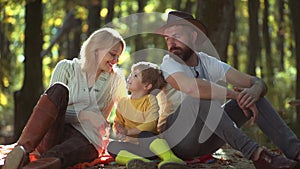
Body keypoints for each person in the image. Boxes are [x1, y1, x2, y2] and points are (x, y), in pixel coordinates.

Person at [155, 10, 300, 169]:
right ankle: (259, 155)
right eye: (167, 38)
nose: (171, 43)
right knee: (200, 97)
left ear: (193, 36)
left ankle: (296, 152)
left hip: (208, 141)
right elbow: (192, 88)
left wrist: (254, 91)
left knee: (252, 97)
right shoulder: (169, 63)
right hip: (178, 141)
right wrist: (235, 95)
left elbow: (254, 81)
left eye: (177, 36)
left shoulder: (208, 62)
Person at [3, 27, 127, 169]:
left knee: (61, 153)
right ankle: (21, 150)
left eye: (118, 57)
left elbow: (126, 109)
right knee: (58, 89)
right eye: (113, 54)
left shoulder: (116, 79)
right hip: (55, 133)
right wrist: (83, 115)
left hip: (88, 138)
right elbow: (51, 111)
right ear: (96, 49)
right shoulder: (66, 68)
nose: (116, 60)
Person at [107, 61, 188, 169]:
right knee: (112, 146)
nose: (130, 77)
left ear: (147, 86)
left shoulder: (150, 100)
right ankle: (140, 162)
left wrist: (128, 132)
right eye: (131, 74)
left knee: (144, 135)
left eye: (135, 75)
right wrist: (119, 130)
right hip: (134, 149)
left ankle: (170, 158)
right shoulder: (123, 102)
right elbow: (118, 122)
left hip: (150, 148)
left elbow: (150, 125)